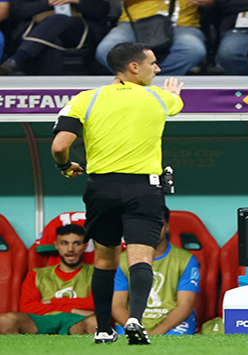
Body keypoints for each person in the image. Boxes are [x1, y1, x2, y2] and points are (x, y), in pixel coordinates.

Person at [50, 42, 184, 344]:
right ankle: (135, 319)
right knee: (140, 258)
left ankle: (102, 329)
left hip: (101, 188)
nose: (158, 69)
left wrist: (65, 166)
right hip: (144, 189)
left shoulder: (86, 99)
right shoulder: (160, 98)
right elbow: (174, 105)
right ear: (134, 67)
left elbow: (59, 146)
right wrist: (174, 95)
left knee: (104, 259)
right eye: (153, 63)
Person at [113, 206, 200, 335]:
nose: (152, 230)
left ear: (167, 227)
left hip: (174, 324)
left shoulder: (186, 260)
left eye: (157, 225)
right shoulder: (123, 260)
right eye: (147, 225)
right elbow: (117, 306)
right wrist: (137, 328)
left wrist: (158, 333)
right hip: (132, 321)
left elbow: (186, 305)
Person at [0, 225, 97, 335]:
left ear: (85, 246)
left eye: (76, 243)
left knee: (95, 322)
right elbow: (27, 307)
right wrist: (72, 309)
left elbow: (95, 303)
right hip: (41, 320)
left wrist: (53, 301)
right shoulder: (36, 274)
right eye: (64, 243)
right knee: (5, 320)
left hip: (77, 320)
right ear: (57, 245)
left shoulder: (95, 273)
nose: (70, 249)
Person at [95, 0, 212, 75]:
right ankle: (137, 79)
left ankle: (157, 80)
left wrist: (208, 3)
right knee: (107, 49)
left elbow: (218, 6)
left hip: (182, 24)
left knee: (192, 49)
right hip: (134, 23)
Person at [0, 0, 109, 75]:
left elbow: (101, 12)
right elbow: (18, 12)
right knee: (51, 42)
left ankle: (17, 59)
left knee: (59, 19)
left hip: (76, 32)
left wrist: (77, 1)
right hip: (37, 29)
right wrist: (48, 3)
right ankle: (52, 91)